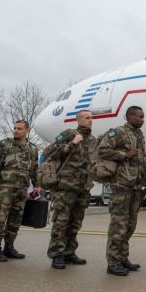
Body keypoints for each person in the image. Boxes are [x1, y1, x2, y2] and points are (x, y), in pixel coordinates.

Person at [97, 106, 146, 276]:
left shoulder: (138, 135)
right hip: (121, 185)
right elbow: (103, 150)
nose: (143, 119)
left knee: (130, 225)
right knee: (118, 225)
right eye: (140, 116)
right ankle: (113, 262)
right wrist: (124, 155)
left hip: (135, 186)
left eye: (144, 116)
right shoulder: (118, 132)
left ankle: (122, 258)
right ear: (130, 116)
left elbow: (141, 159)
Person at [43, 109, 96, 269]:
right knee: (61, 221)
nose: (90, 120)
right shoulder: (69, 134)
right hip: (65, 187)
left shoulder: (93, 140)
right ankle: (57, 254)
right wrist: (72, 144)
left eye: (91, 118)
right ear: (79, 120)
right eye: (87, 118)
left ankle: (69, 252)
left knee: (75, 222)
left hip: (83, 188)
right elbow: (49, 153)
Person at [0, 120, 41, 261]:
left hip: (21, 190)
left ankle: (9, 247)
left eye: (19, 128)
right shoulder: (5, 144)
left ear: (27, 130)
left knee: (15, 220)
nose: (16, 131)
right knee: (0, 219)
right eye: (15, 128)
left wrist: (38, 184)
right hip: (4, 189)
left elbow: (34, 169)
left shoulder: (32, 149)